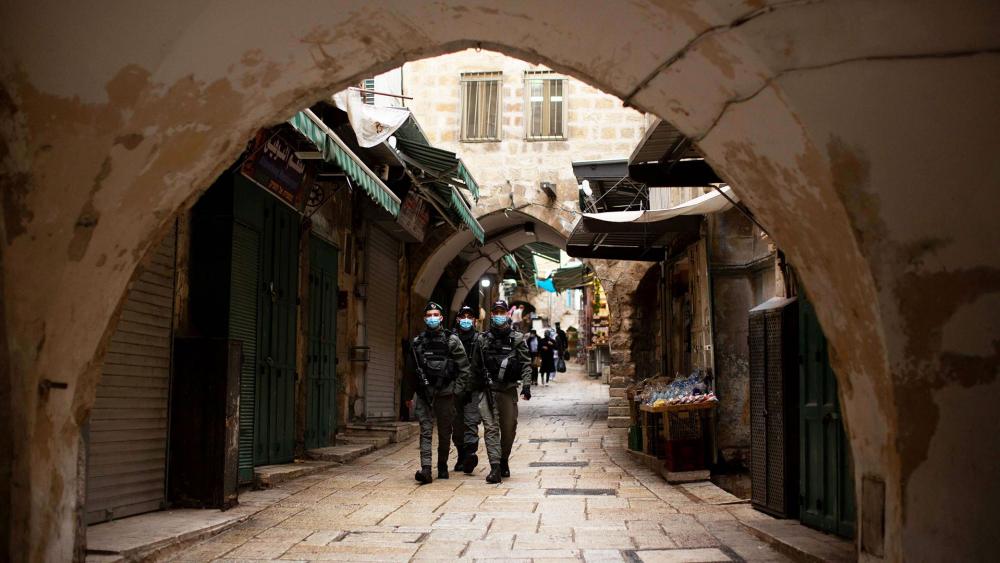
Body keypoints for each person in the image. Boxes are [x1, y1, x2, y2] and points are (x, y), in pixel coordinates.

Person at [463, 300, 531, 483]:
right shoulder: (482, 339)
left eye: (502, 311)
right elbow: (475, 366)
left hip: (508, 391)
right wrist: (469, 390)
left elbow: (525, 363)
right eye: (496, 312)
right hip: (488, 390)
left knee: (508, 429)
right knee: (491, 428)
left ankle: (503, 460)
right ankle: (494, 467)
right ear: (492, 314)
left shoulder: (516, 338)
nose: (499, 315)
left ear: (507, 314)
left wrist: (526, 386)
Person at [408, 301, 472, 484]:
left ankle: (442, 465)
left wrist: (455, 391)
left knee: (445, 432)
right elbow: (411, 369)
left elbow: (464, 369)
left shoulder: (452, 340)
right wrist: (408, 395)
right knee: (425, 430)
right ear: (424, 318)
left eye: (435, 314)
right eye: (429, 315)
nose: (432, 318)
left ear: (442, 318)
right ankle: (426, 468)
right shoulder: (418, 342)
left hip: (446, 394)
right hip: (424, 394)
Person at [451, 305, 482, 474]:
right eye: (463, 316)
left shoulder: (480, 340)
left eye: (470, 317)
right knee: (457, 425)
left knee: (471, 422)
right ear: (458, 319)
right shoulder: (450, 339)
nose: (466, 320)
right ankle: (461, 455)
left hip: (473, 389)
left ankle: (471, 454)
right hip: (455, 388)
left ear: (475, 321)